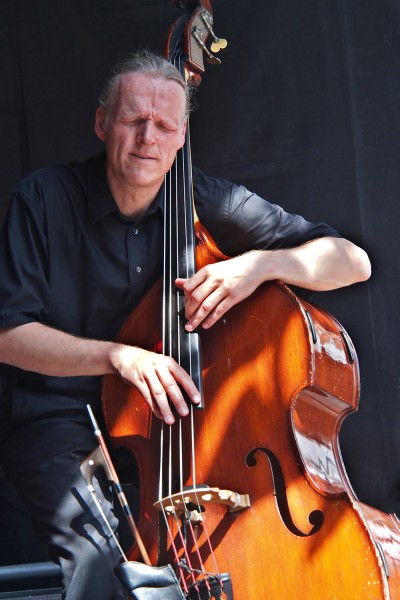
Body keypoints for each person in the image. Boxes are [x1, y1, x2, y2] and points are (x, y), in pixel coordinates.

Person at [0, 50, 371, 600]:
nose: (147, 138)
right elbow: (7, 335)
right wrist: (116, 357)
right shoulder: (44, 200)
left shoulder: (207, 201)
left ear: (182, 137)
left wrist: (263, 264)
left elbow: (352, 260)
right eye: (133, 120)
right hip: (64, 419)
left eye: (164, 126)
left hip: (173, 428)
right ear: (103, 123)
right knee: (102, 568)